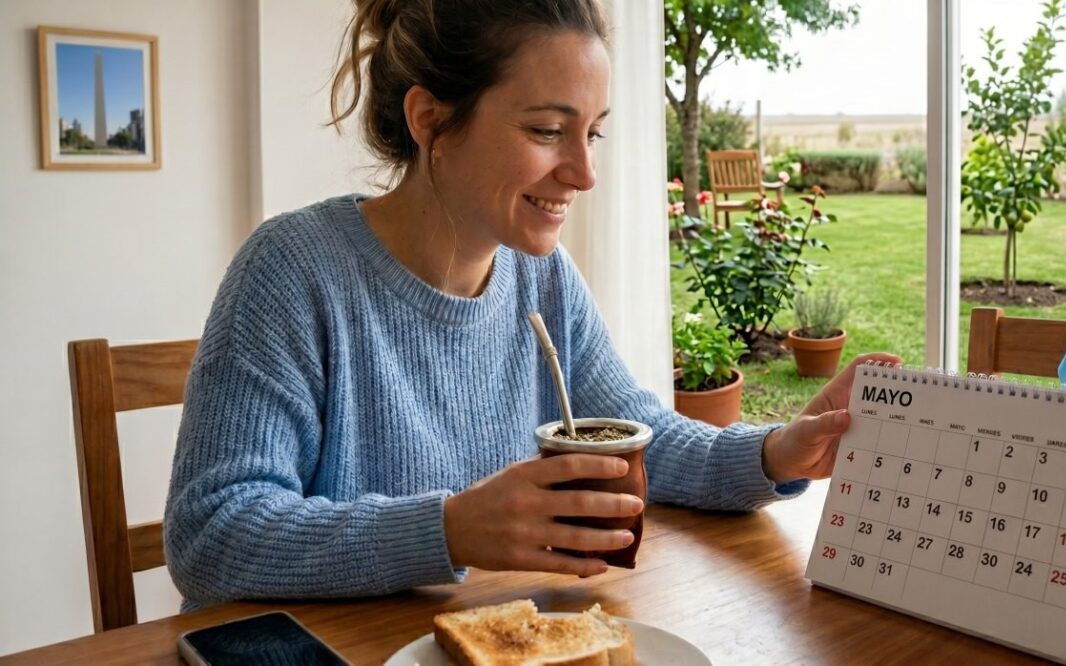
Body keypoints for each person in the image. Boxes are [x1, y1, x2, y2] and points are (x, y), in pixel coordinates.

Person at [163, 0, 900, 608]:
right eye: (547, 131)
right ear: (430, 121)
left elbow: (638, 436)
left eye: (593, 132)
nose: (583, 173)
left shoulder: (541, 278)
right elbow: (211, 536)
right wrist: (447, 529)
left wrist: (775, 450)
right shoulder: (293, 271)